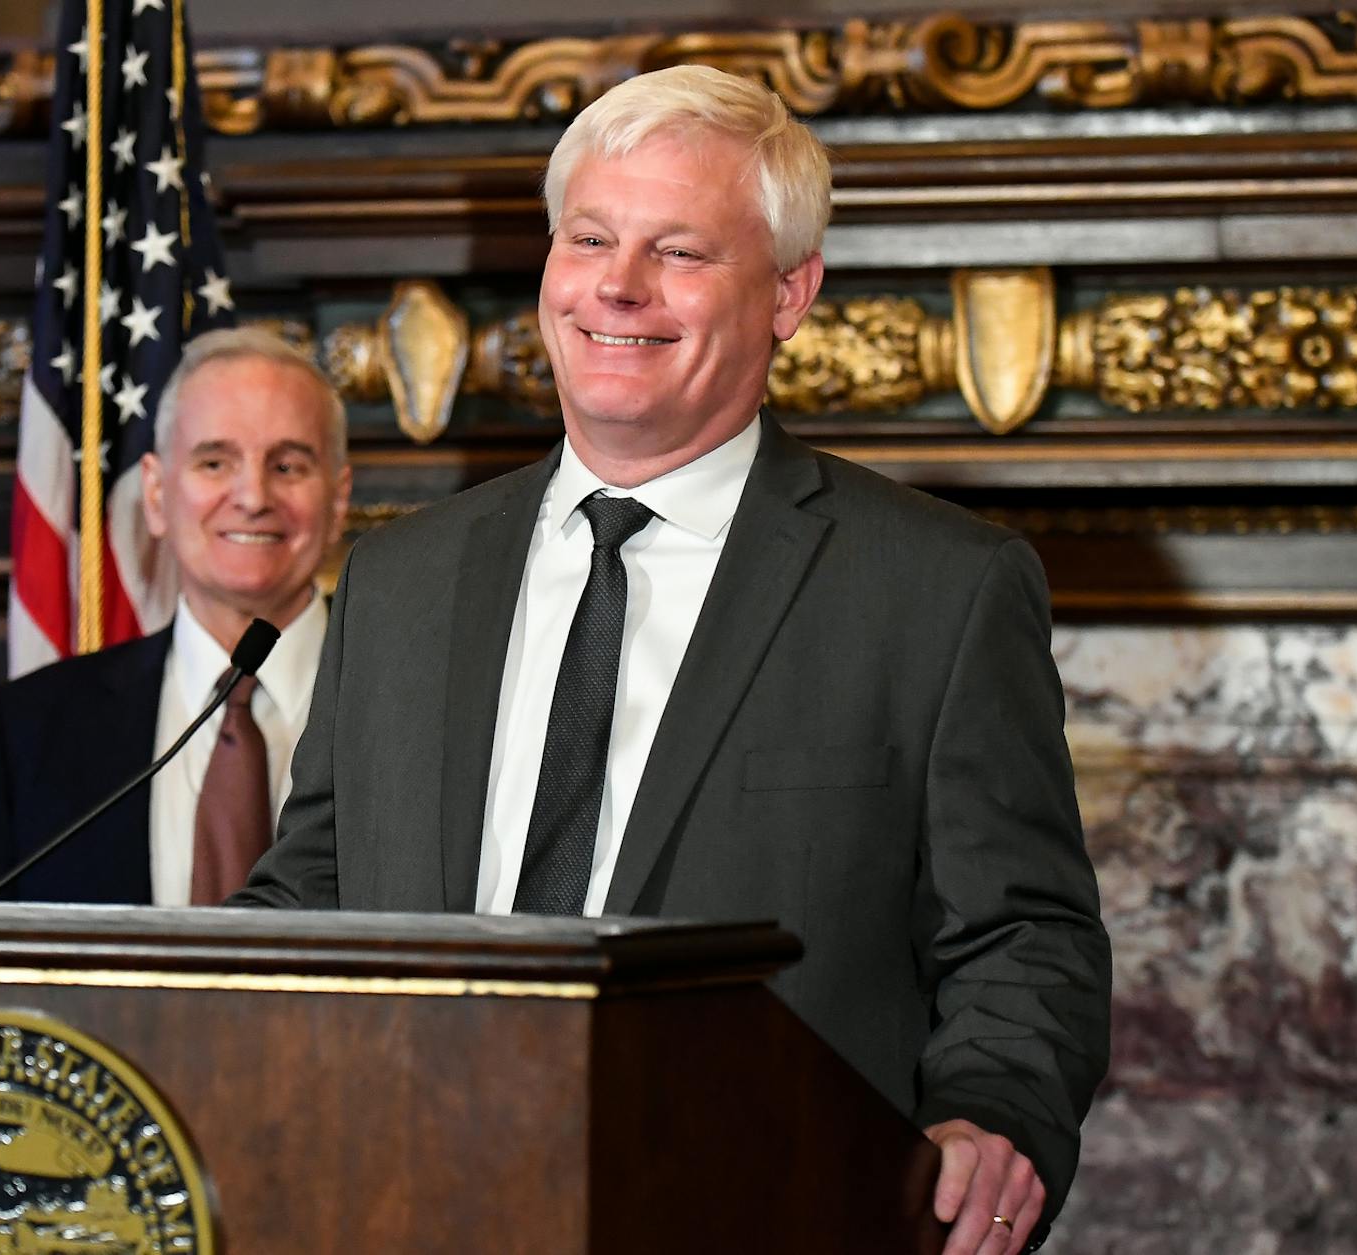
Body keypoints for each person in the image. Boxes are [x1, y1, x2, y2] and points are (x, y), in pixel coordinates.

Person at [231, 66, 1111, 1254]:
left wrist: (991, 1113)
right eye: (588, 236)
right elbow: (312, 900)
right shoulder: (400, 581)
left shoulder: (939, 591)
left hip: (771, 1210)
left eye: (680, 252)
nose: (617, 286)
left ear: (791, 292)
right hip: (413, 1203)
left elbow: (1022, 938)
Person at [0, 328, 351, 906]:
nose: (252, 496)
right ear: (158, 495)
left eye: (287, 466)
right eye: (214, 462)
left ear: (338, 500)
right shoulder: (34, 729)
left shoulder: (420, 707)